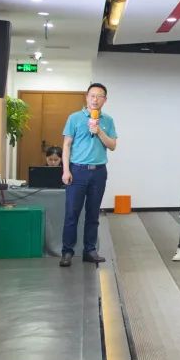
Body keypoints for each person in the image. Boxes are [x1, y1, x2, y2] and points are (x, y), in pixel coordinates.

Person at [59, 83, 118, 267]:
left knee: (93, 214)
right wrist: (66, 170)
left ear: (105, 100)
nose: (95, 99)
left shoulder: (108, 121)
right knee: (72, 213)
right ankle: (67, 252)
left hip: (99, 172)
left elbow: (112, 145)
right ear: (86, 97)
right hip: (77, 171)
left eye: (99, 96)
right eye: (92, 95)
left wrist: (99, 131)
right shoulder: (74, 118)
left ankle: (90, 250)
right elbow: (66, 145)